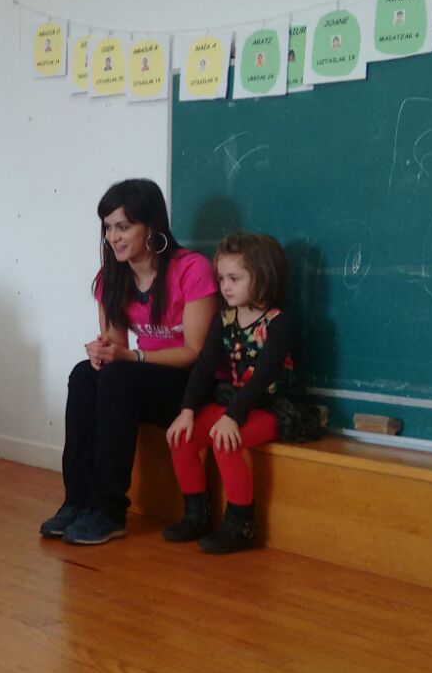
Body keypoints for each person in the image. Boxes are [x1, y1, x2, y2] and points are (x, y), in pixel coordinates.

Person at [40, 179, 217, 545]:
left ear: (150, 226)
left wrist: (133, 356)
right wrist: (103, 352)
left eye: (123, 227)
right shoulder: (111, 278)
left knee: (119, 377)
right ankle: (77, 501)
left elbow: (195, 351)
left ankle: (109, 510)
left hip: (191, 382)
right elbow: (116, 348)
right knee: (85, 374)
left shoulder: (191, 269)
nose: (113, 237)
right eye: (107, 228)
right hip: (142, 379)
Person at [165, 233, 315, 553]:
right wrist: (187, 411)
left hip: (274, 405)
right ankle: (196, 514)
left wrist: (232, 417)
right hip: (236, 401)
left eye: (234, 278)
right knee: (182, 437)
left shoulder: (279, 322)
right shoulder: (224, 319)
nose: (225, 287)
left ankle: (240, 525)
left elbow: (263, 377)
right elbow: (204, 367)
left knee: (226, 440)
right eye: (221, 278)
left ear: (261, 276)